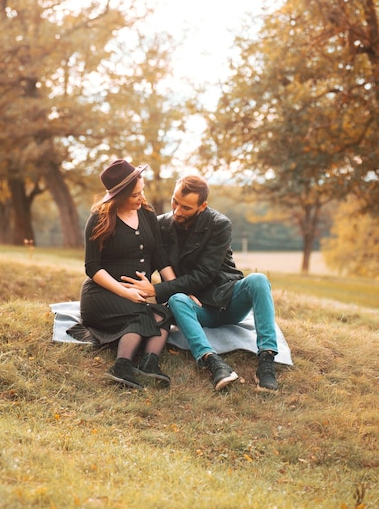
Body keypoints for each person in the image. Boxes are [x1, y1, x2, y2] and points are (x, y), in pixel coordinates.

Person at [121, 175, 279, 392]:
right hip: (194, 308)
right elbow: (150, 260)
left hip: (226, 300)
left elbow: (204, 274)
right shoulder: (161, 225)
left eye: (186, 207)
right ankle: (212, 363)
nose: (177, 211)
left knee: (259, 280)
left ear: (202, 206)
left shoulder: (219, 225)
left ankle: (266, 361)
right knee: (177, 299)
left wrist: (158, 290)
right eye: (174, 202)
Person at [79, 159, 176, 390]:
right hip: (102, 294)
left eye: (142, 192)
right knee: (139, 313)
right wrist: (125, 292)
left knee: (163, 314)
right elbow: (92, 267)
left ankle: (149, 364)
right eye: (135, 195)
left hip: (135, 298)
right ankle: (121, 367)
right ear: (119, 196)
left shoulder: (147, 214)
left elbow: (160, 256)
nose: (141, 199)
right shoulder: (99, 219)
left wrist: (176, 288)